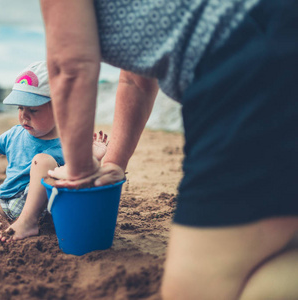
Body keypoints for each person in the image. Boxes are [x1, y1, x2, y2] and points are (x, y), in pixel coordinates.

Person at [39, 0, 298, 299]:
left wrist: (80, 167)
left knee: (192, 291)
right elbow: (135, 78)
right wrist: (115, 162)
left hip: (248, 59)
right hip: (273, 31)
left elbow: (68, 66)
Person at [0, 61, 109, 242]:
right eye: (20, 108)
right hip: (6, 202)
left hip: (41, 206)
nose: (24, 115)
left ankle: (28, 222)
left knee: (42, 161)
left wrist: (95, 159)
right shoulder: (15, 134)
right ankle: (0, 226)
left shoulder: (69, 143)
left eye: (33, 110)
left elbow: (83, 178)